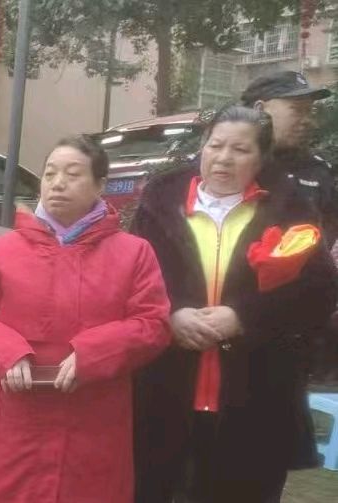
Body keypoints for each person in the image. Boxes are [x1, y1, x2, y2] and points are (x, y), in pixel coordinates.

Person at [132, 106, 338, 503]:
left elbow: (318, 292)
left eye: (240, 150)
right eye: (216, 145)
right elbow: (131, 279)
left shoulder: (289, 210)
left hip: (256, 397)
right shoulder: (159, 205)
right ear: (203, 146)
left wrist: (244, 316)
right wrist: (170, 315)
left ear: (261, 159)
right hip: (164, 391)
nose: (224, 158)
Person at [0, 135, 171, 503]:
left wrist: (93, 355)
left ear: (100, 185)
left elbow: (154, 323)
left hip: (92, 419)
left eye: (72, 174)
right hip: (11, 421)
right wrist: (7, 353)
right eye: (50, 173)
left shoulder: (133, 253)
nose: (57, 183)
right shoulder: (1, 251)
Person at [240, 70, 336, 246]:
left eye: (310, 111)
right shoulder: (221, 164)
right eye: (297, 110)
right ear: (260, 109)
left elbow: (328, 234)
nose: (309, 121)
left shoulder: (317, 169)